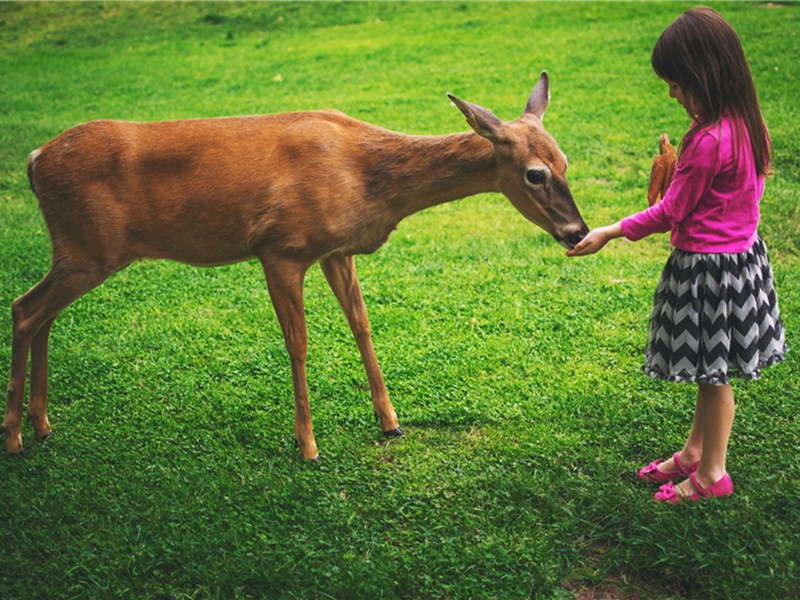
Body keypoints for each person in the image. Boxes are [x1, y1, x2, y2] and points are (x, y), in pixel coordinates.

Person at [567, 7, 788, 503]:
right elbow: (733, 200)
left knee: (714, 378)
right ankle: (692, 453)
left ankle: (712, 474)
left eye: (676, 82)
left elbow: (672, 212)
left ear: (705, 76)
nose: (671, 92)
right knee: (712, 370)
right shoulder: (749, 125)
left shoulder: (709, 141)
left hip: (707, 273)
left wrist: (610, 231)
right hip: (742, 264)